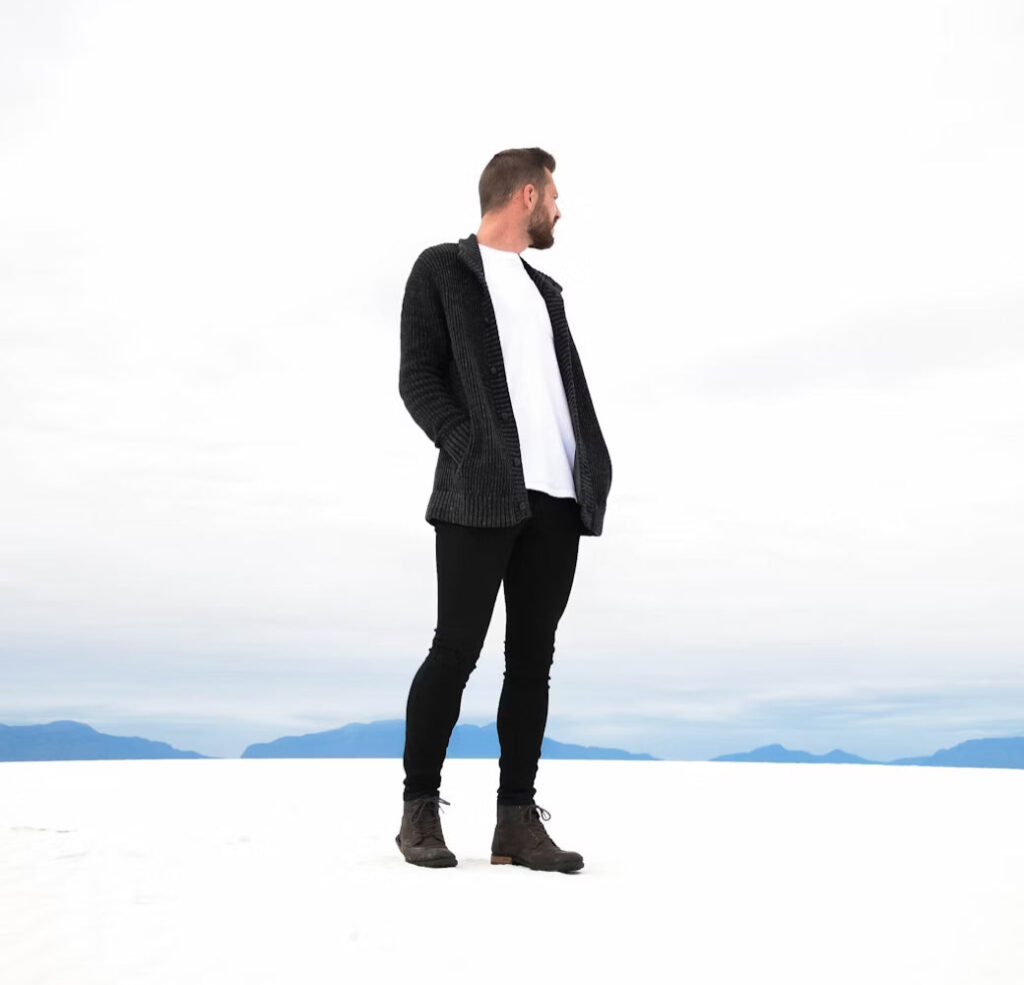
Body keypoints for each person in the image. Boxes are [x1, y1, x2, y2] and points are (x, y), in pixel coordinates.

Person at [395, 147, 613, 873]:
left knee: (532, 662)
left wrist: (592, 461)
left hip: (557, 498)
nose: (559, 209)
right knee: (455, 650)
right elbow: (418, 376)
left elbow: (561, 386)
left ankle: (516, 822)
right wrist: (467, 447)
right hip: (478, 491)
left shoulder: (546, 290)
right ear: (526, 194)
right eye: (553, 195)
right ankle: (419, 810)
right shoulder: (442, 268)